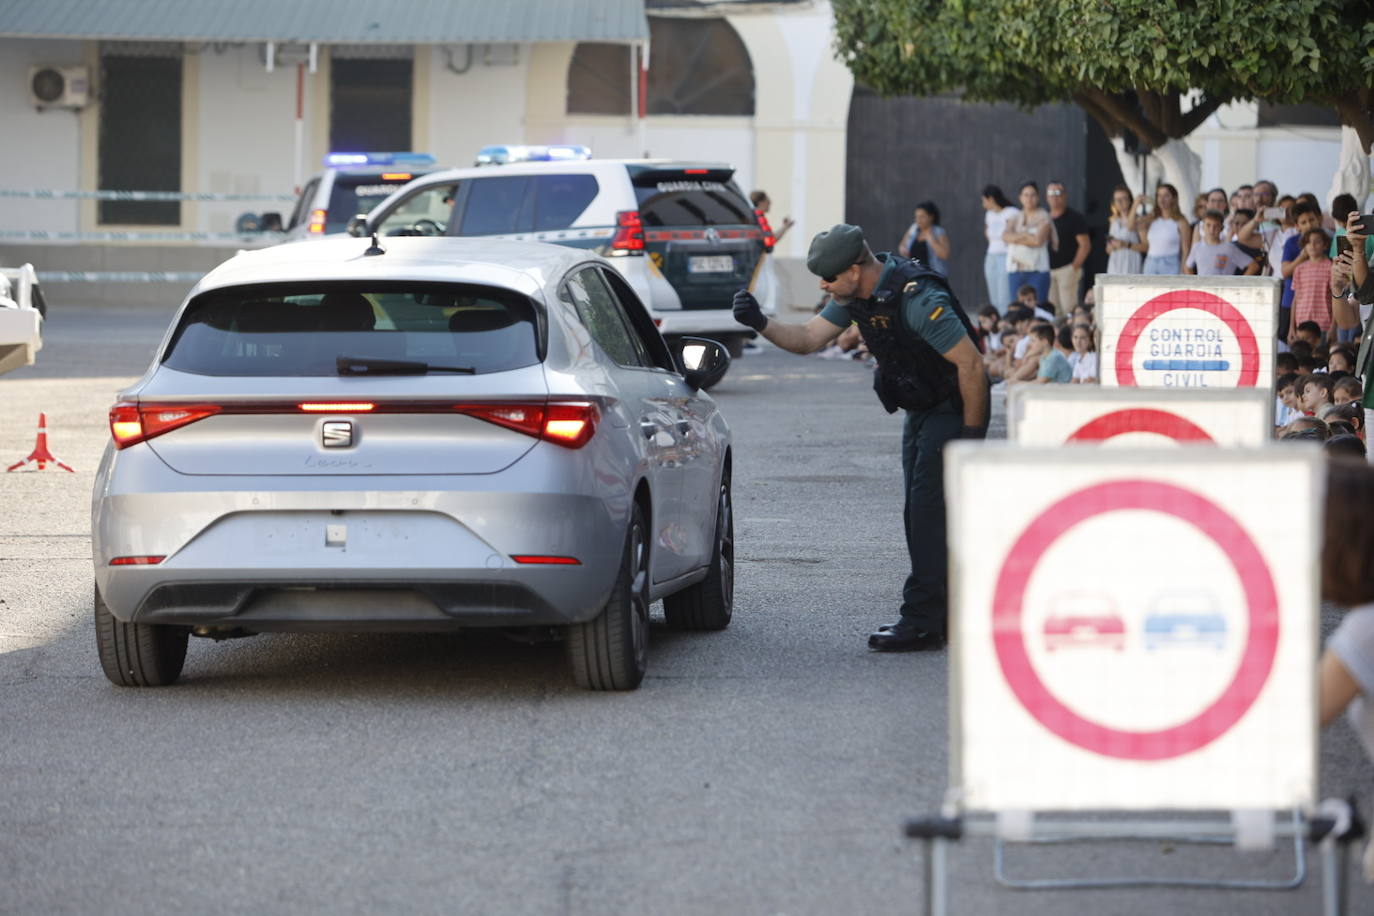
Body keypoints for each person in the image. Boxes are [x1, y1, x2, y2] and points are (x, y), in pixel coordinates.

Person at [731, 224, 989, 651]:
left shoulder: (918, 299)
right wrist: (759, 321)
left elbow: (974, 368)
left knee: (927, 511)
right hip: (920, 407)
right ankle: (943, 613)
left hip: (952, 408)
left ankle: (923, 620)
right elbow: (808, 338)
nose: (822, 285)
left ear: (854, 270)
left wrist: (971, 442)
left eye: (828, 278)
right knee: (920, 513)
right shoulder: (854, 297)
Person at [1003, 182, 1054, 304]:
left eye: (1032, 195)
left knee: (1038, 306)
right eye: (1026, 195)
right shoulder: (1015, 217)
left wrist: (1016, 238)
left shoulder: (1044, 216)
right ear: (1020, 197)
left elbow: (1038, 240)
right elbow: (1005, 236)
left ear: (1038, 197)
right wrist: (1026, 235)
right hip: (1016, 270)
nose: (1029, 198)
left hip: (1037, 270)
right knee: (1016, 308)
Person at [1045, 180, 1090, 311]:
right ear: (1046, 196)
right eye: (1051, 193)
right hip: (1048, 271)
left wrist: (1073, 267)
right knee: (1053, 309)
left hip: (1067, 270)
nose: (1054, 196)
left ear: (1065, 195)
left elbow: (1085, 245)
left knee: (1069, 308)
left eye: (1058, 192)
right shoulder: (1044, 217)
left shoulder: (1075, 218)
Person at [1185, 209, 1259, 276]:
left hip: (1223, 289)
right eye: (1208, 225)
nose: (1212, 229)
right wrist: (1195, 284)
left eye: (1216, 226)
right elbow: (1187, 267)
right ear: (1203, 227)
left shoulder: (1229, 248)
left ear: (1222, 228)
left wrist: (1239, 283)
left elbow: (1253, 266)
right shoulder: (1197, 247)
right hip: (1204, 289)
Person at [981, 185, 1019, 313]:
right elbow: (987, 231)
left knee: (1004, 292)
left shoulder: (1011, 212)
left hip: (1006, 255)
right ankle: (996, 318)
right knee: (993, 290)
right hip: (991, 255)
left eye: (984, 200)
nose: (983, 204)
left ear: (991, 199)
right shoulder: (989, 214)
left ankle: (1005, 319)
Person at [1141, 183, 1191, 274]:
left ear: (1174, 198)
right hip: (1150, 262)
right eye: (1159, 195)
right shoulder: (1151, 218)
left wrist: (1182, 271)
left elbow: (1186, 249)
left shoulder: (1181, 221)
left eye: (1166, 195)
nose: (1162, 199)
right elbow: (1131, 225)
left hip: (1170, 263)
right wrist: (1138, 202)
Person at [898, 201, 951, 276]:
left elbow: (944, 255)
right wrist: (903, 250)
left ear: (931, 217)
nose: (918, 220)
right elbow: (902, 245)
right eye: (916, 217)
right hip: (913, 274)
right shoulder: (913, 229)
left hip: (933, 276)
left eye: (922, 217)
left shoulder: (938, 232)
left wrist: (931, 239)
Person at [1105, 184, 1144, 275]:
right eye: (1117, 199)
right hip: (1115, 265)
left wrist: (1125, 244)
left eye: (1123, 198)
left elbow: (1146, 246)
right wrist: (1111, 246)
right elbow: (1108, 250)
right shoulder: (1113, 221)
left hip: (1131, 265)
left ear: (1130, 200)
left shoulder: (1138, 220)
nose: (1120, 202)